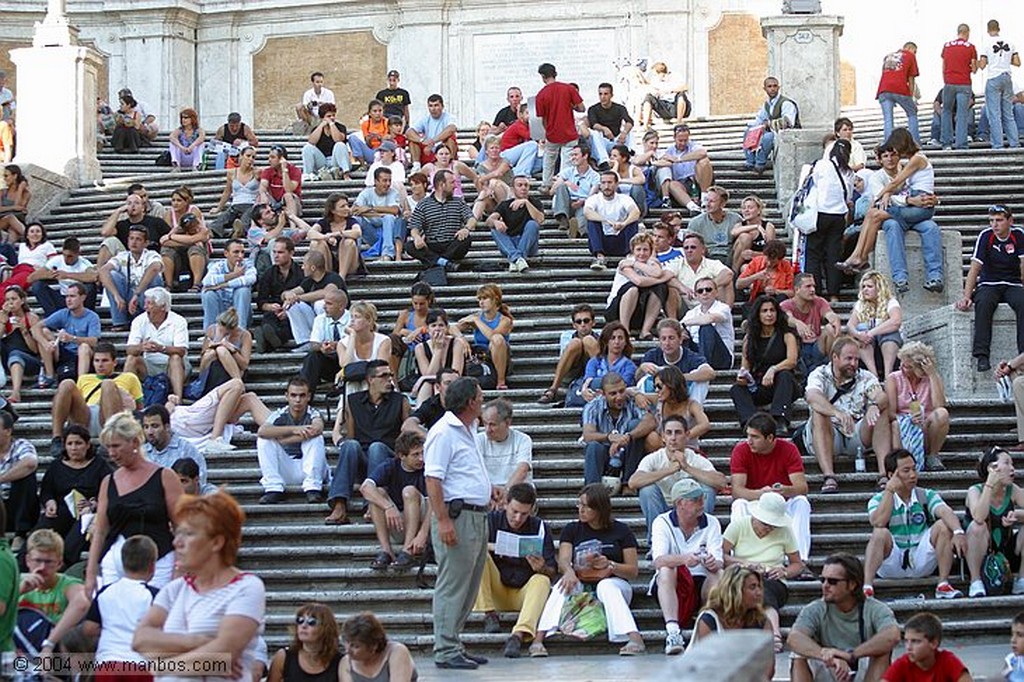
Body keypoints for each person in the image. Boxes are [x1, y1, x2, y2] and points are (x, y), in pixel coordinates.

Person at [133, 492, 266, 682]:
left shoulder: (246, 587)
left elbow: (224, 655)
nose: (176, 542)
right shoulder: (174, 589)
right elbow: (140, 640)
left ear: (216, 542)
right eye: (177, 533)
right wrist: (198, 641)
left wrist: (159, 664)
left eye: (188, 534)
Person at [424, 376, 494, 670]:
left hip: (476, 514)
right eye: (479, 395)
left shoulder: (468, 428)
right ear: (470, 402)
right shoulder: (443, 432)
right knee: (453, 584)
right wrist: (442, 521)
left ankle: (454, 642)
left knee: (468, 584)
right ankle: (445, 648)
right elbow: (433, 479)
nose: (483, 399)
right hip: (457, 516)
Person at [532, 483, 645, 657]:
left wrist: (610, 565)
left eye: (586, 506)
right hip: (581, 585)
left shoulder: (621, 530)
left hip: (615, 586)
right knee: (563, 584)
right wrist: (569, 572)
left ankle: (634, 637)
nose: (581, 510)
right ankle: (538, 640)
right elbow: (563, 560)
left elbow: (633, 570)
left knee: (606, 586)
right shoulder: (572, 529)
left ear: (599, 508)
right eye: (579, 504)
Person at [85, 412, 183, 594]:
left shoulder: (165, 476)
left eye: (116, 446)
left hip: (159, 561)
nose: (111, 453)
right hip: (115, 561)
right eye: (108, 447)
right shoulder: (108, 481)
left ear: (135, 443)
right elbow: (100, 531)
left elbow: (182, 528)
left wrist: (179, 568)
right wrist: (91, 573)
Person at [863, 449, 966, 600]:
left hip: (921, 557)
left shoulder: (925, 495)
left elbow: (945, 511)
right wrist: (890, 491)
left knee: (944, 526)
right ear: (892, 475)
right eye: (906, 470)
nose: (913, 475)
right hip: (892, 560)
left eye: (914, 469)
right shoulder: (877, 500)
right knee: (880, 533)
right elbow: (878, 522)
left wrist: (958, 532)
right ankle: (867, 588)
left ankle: (943, 584)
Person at [787, 553, 901, 682]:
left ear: (852, 584)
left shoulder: (875, 608)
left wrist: (851, 655)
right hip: (831, 668)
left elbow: (892, 635)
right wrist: (828, 655)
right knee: (798, 654)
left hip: (862, 669)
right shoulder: (815, 609)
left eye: (832, 581)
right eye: (822, 580)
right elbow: (794, 638)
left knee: (883, 650)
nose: (825, 585)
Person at [473, 482, 556, 658]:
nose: (518, 518)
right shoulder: (492, 520)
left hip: (524, 594)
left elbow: (552, 571)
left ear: (532, 511)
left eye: (524, 514)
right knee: (479, 554)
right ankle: (488, 614)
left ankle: (518, 635)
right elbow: (470, 545)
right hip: (495, 591)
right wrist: (496, 547)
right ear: (505, 505)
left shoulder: (540, 527)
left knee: (542, 580)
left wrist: (542, 568)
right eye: (514, 512)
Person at [805, 336, 892, 493]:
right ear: (835, 357)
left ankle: (883, 474)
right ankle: (829, 476)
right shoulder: (819, 374)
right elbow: (812, 397)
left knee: (882, 412)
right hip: (829, 434)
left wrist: (874, 405)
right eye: (849, 359)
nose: (853, 364)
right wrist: (836, 413)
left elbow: (881, 396)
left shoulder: (865, 377)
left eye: (856, 359)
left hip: (857, 434)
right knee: (819, 411)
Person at [327, 359, 408, 525]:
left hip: (388, 459)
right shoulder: (353, 401)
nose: (390, 379)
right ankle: (339, 504)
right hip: (363, 459)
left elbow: (405, 437)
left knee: (377, 447)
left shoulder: (401, 401)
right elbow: (351, 435)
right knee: (350, 445)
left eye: (391, 375)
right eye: (384, 376)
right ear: (370, 379)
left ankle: (372, 503)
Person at [721, 491, 804, 653]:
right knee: (747, 588)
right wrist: (744, 563)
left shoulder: (785, 531)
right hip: (743, 575)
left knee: (765, 592)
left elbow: (797, 565)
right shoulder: (739, 525)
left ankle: (774, 634)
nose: (769, 529)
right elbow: (721, 555)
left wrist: (784, 571)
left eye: (773, 525)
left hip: (772, 578)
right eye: (766, 524)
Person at [648, 478, 722, 656]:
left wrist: (713, 562)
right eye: (695, 500)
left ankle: (708, 624)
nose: (701, 503)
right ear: (680, 503)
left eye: (701, 498)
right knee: (666, 569)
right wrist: (684, 559)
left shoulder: (711, 522)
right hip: (675, 583)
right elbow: (658, 560)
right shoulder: (662, 522)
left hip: (701, 582)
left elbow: (719, 560)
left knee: (719, 573)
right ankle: (673, 632)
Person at [730, 413, 811, 561]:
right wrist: (761, 494)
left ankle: (799, 560)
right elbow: (737, 491)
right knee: (738, 504)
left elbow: (802, 488)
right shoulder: (741, 450)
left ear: (770, 438)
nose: (749, 441)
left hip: (781, 504)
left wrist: (785, 490)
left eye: (755, 437)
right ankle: (739, 559)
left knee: (801, 502)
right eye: (748, 436)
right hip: (755, 504)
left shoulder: (788, 449)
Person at [956, 204, 1024, 373]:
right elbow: (974, 268)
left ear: (1010, 221)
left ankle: (1023, 354)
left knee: (1023, 302)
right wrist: (966, 296)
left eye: (999, 220)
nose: (994, 225)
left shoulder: (1019, 235)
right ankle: (982, 355)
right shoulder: (986, 236)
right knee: (984, 302)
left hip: (1013, 283)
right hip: (989, 283)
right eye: (992, 220)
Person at [81, 535, 160, 678]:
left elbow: (89, 628)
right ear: (152, 566)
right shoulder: (154, 596)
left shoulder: (105, 592)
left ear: (122, 564)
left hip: (108, 662)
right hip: (140, 664)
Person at [629, 416, 724, 534]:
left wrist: (687, 467)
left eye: (678, 433)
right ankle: (656, 539)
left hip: (690, 509)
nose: (673, 438)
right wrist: (669, 470)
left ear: (687, 435)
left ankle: (700, 536)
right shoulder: (654, 458)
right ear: (663, 437)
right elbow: (633, 482)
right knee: (646, 490)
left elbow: (721, 482)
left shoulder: (695, 458)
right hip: (662, 509)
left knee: (708, 489)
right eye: (669, 433)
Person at [34, 424, 112, 566]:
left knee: (79, 531)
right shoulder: (57, 466)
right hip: (61, 511)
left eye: (78, 443)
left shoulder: (99, 465)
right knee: (42, 528)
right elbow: (47, 491)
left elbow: (110, 492)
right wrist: (50, 502)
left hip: (87, 513)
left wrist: (95, 504)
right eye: (70, 444)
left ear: (87, 445)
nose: (74, 448)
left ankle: (63, 565)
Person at [359, 431, 429, 571]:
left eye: (422, 453)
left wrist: (422, 534)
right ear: (402, 456)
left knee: (409, 491)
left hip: (424, 520)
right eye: (415, 455)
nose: (421, 459)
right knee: (377, 493)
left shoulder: (428, 468)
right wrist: (388, 507)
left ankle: (407, 551)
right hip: (399, 521)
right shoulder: (391, 465)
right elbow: (365, 488)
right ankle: (386, 551)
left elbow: (434, 504)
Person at [689, 565, 774, 680]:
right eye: (752, 587)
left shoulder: (761, 620)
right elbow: (708, 666)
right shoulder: (709, 620)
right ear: (735, 590)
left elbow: (768, 665)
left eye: (759, 587)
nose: (759, 592)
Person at [730, 295, 800, 429]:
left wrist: (773, 369)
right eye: (764, 311)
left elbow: (792, 361)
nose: (769, 314)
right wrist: (742, 378)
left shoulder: (787, 334)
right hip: (759, 384)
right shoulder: (750, 338)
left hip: (783, 384)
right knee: (736, 389)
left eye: (772, 310)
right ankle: (751, 423)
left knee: (784, 375)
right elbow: (745, 367)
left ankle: (780, 419)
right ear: (758, 314)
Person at [256, 376, 328, 505]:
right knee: (264, 440)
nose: (298, 400)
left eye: (302, 395)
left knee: (316, 438)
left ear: (309, 397)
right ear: (287, 396)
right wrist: (294, 429)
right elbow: (262, 431)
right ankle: (273, 488)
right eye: (293, 395)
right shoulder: (280, 414)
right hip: (287, 467)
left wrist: (284, 440)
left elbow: (317, 429)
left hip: (311, 468)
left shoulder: (314, 413)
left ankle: (313, 488)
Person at [965, 447, 1024, 598]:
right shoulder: (975, 490)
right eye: (1007, 463)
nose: (1012, 468)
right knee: (977, 527)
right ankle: (975, 581)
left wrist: (1018, 515)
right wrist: (990, 485)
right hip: (979, 556)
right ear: (992, 468)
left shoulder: (1013, 490)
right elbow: (979, 516)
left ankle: (1021, 579)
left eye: (1013, 464)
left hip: (1006, 553)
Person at [580, 372, 653, 488]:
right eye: (613, 394)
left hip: (628, 453)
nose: (619, 397)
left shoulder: (633, 400)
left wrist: (628, 436)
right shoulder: (592, 406)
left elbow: (650, 422)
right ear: (603, 394)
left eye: (622, 391)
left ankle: (628, 484)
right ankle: (593, 493)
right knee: (593, 446)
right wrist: (609, 437)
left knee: (636, 425)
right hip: (604, 454)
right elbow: (588, 435)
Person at [18, 529, 87, 651]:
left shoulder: (67, 584)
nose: (42, 567)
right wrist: (19, 591)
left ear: (59, 563)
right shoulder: (17, 583)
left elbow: (82, 603)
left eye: (48, 562)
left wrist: (49, 644)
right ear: (28, 560)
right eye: (38, 560)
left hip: (55, 649)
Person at [886, 342, 949, 473]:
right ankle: (900, 462)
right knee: (895, 424)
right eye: (902, 364)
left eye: (908, 367)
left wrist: (932, 375)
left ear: (920, 368)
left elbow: (939, 406)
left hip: (924, 428)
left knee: (942, 414)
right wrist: (909, 418)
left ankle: (932, 455)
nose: (902, 368)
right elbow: (890, 413)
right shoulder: (894, 378)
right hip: (903, 429)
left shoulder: (931, 378)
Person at [806, 139, 855, 302]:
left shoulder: (821, 164)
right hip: (838, 215)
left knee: (813, 253)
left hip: (820, 213)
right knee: (833, 254)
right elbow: (848, 197)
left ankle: (816, 291)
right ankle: (834, 293)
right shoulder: (849, 172)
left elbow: (813, 185)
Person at [124, 287, 190, 400]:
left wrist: (161, 348)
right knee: (131, 358)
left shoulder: (178, 321)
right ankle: (123, 396)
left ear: (163, 307)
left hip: (173, 366)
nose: (145, 307)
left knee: (175, 358)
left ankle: (177, 400)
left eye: (149, 304)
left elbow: (181, 351)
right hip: (149, 365)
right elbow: (129, 349)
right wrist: (141, 347)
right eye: (145, 303)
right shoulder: (139, 321)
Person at [31, 283, 101, 387]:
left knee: (84, 347)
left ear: (82, 298)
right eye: (67, 296)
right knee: (44, 332)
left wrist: (72, 338)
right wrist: (45, 343)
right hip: (64, 353)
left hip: (83, 355)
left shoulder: (92, 317)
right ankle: (50, 376)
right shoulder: (63, 313)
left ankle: (81, 383)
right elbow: (35, 328)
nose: (68, 300)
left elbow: (94, 341)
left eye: (72, 296)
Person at [604, 232, 671, 338]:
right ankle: (625, 330)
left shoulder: (652, 263)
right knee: (633, 289)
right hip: (617, 310)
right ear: (633, 250)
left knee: (661, 288)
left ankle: (645, 331)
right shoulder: (625, 263)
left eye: (645, 250)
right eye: (638, 249)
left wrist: (637, 265)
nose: (642, 253)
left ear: (650, 251)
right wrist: (660, 279)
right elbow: (638, 281)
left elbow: (657, 273)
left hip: (639, 310)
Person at [98, 225, 165, 332]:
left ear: (146, 243)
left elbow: (154, 267)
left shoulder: (152, 255)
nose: (134, 242)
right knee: (113, 275)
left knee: (155, 278)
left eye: (138, 239)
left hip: (144, 296)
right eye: (131, 238)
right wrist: (116, 295)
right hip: (127, 298)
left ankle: (152, 318)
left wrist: (137, 294)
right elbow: (103, 270)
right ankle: (120, 321)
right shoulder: (122, 256)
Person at [406, 170, 474, 273]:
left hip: (452, 243)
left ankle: (437, 262)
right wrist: (416, 237)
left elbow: (471, 219)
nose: (455, 186)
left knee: (466, 239)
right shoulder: (423, 204)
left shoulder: (458, 202)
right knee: (409, 246)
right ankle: (445, 263)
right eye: (452, 182)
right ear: (441, 185)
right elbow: (414, 227)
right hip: (432, 245)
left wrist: (466, 229)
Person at [636, 317, 716, 404]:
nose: (667, 343)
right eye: (663, 339)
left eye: (671, 338)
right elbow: (638, 378)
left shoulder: (690, 356)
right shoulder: (652, 355)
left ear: (680, 339)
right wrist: (642, 367)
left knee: (701, 379)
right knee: (645, 378)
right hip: (659, 399)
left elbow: (710, 373)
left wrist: (677, 378)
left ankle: (692, 412)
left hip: (684, 397)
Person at [537, 304, 599, 406]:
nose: (583, 324)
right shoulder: (566, 337)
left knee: (589, 340)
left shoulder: (600, 339)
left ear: (593, 322)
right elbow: (564, 358)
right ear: (574, 325)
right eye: (579, 322)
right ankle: (553, 389)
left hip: (592, 374)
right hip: (571, 372)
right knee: (576, 342)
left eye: (586, 321)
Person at [881, 612, 971, 681]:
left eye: (915, 641)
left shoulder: (947, 661)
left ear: (933, 644)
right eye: (906, 641)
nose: (908, 647)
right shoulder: (902, 664)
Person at [535, 63, 585, 188]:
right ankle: (562, 185)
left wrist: (546, 131)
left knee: (549, 159)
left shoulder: (541, 95)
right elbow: (582, 108)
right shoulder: (568, 89)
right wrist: (571, 106)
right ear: (555, 73)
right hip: (569, 133)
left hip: (552, 133)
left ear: (543, 76)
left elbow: (541, 119)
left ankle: (546, 184)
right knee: (567, 162)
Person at [782, 273, 842, 376]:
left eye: (814, 286)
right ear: (797, 289)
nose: (813, 290)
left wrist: (835, 319)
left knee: (829, 328)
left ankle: (832, 368)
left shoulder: (819, 301)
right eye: (808, 286)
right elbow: (787, 317)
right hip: (797, 348)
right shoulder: (786, 304)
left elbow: (829, 314)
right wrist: (797, 323)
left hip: (816, 346)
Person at [848, 271, 904, 379]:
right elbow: (850, 326)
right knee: (861, 330)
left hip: (891, 348)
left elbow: (896, 321)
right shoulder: (860, 304)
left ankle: (888, 376)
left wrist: (871, 333)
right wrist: (859, 335)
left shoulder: (891, 302)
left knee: (890, 333)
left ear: (879, 288)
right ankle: (873, 375)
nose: (865, 289)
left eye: (869, 286)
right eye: (863, 286)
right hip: (868, 348)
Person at [456, 283, 513, 390]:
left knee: (497, 339)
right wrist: (461, 338)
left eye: (485, 298)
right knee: (455, 341)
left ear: (495, 299)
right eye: (479, 299)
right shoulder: (476, 317)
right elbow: (451, 328)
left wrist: (477, 321)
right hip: (480, 357)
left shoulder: (505, 320)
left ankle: (501, 381)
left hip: (499, 360)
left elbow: (492, 336)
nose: (481, 302)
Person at [267, 602, 341, 682]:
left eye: (311, 622)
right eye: (300, 620)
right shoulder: (284, 657)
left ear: (326, 628)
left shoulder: (340, 661)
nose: (304, 626)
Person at [584, 172, 642, 272]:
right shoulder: (593, 199)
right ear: (600, 185)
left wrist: (624, 223)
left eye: (610, 182)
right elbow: (587, 212)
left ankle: (630, 255)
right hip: (602, 241)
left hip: (622, 240)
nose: (606, 186)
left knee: (632, 221)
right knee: (592, 222)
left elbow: (636, 212)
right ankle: (600, 258)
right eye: (603, 183)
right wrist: (607, 221)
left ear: (616, 184)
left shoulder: (624, 198)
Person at [254, 237, 303, 353]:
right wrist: (270, 307)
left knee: (290, 324)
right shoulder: (269, 273)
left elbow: (305, 296)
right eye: (274, 252)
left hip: (294, 310)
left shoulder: (301, 273)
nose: (276, 256)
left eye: (280, 252)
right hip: (274, 311)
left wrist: (288, 311)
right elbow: (261, 301)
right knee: (268, 320)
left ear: (291, 253)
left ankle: (267, 344)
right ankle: (271, 339)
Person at [98, 192, 170, 268]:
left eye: (136, 203)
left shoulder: (156, 222)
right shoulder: (121, 225)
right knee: (109, 241)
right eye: (129, 203)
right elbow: (105, 232)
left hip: (151, 259)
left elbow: (169, 237)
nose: (133, 205)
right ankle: (99, 274)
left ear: (143, 207)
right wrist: (118, 211)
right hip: (127, 260)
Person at [744, 76, 800, 175]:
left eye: (775, 86)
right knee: (748, 131)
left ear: (778, 88)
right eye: (769, 86)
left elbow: (788, 122)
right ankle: (750, 163)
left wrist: (768, 124)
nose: (772, 88)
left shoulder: (786, 103)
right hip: (773, 131)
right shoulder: (767, 105)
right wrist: (752, 127)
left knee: (768, 137)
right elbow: (759, 119)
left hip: (787, 134)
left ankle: (760, 164)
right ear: (765, 89)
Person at [339, 612, 418, 682]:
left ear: (373, 646)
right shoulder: (346, 663)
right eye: (346, 642)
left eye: (356, 646)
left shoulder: (396, 652)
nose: (347, 650)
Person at [487, 175, 543, 273]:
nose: (523, 188)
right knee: (494, 228)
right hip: (510, 243)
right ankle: (518, 259)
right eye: (520, 185)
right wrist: (495, 222)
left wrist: (526, 202)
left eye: (526, 185)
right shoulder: (505, 204)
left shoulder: (535, 202)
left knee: (532, 224)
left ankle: (514, 258)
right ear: (513, 189)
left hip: (529, 245)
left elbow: (540, 220)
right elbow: (489, 221)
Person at [979, 19, 1021, 149]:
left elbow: (982, 65)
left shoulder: (986, 44)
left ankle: (998, 145)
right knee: (1008, 114)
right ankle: (1015, 143)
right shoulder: (1010, 42)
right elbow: (1017, 62)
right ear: (999, 28)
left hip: (993, 78)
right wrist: (1004, 60)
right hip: (1007, 78)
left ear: (988, 29)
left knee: (994, 114)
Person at [572, 322, 636, 406]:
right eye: (612, 338)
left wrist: (601, 388)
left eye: (620, 338)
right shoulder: (594, 361)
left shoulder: (629, 365)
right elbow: (588, 380)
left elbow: (622, 385)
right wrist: (584, 390)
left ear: (625, 342)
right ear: (606, 341)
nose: (616, 342)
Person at [142, 404, 209, 484]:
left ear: (167, 427)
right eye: (146, 427)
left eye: (155, 426)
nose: (149, 432)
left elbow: (200, 481)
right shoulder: (142, 453)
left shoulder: (186, 450)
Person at [654, 124, 711, 213]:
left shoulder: (693, 145)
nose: (683, 143)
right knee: (672, 184)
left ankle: (704, 198)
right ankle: (692, 207)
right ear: (674, 137)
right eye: (680, 140)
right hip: (681, 183)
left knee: (704, 161)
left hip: (697, 180)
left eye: (685, 140)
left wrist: (679, 159)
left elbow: (703, 152)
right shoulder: (669, 150)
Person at [201, 238, 256, 330]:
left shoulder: (248, 265)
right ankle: (211, 332)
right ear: (226, 253)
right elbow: (206, 281)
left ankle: (239, 332)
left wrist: (223, 285)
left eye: (242, 252)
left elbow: (250, 279)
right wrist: (234, 275)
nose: (240, 256)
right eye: (236, 252)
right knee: (208, 293)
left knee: (243, 290)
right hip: (221, 311)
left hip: (240, 312)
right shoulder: (217, 266)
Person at [0, 412, 38, 546]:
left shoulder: (21, 445)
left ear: (8, 431)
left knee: (26, 477)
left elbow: (30, 463)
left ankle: (20, 534)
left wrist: (2, 478)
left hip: (17, 505)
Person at [681, 276, 734, 371]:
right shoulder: (691, 313)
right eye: (700, 291)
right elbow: (677, 327)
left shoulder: (723, 308)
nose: (704, 293)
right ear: (696, 295)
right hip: (697, 353)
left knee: (706, 328)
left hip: (721, 358)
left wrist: (684, 324)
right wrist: (681, 331)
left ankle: (703, 367)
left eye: (708, 289)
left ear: (716, 292)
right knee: (680, 335)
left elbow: (710, 318)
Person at [195, 307, 252, 394]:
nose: (222, 331)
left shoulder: (245, 335)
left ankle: (238, 383)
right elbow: (203, 358)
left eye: (226, 332)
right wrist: (217, 342)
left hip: (234, 370)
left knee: (222, 350)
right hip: (212, 368)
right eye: (220, 327)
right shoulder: (212, 329)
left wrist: (232, 350)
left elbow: (244, 365)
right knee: (214, 352)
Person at [354, 167, 406, 261]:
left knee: (389, 217)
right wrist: (378, 214)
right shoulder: (366, 193)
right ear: (376, 181)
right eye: (384, 181)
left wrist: (369, 208)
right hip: (372, 232)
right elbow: (354, 210)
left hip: (389, 234)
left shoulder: (393, 193)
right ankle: (355, 255)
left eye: (389, 180)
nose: (388, 184)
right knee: (356, 220)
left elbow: (394, 210)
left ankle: (387, 254)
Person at [0, 285, 42, 403]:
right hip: (7, 358)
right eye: (7, 300)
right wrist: (3, 321)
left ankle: (16, 392)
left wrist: (24, 331)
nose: (10, 303)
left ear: (22, 300)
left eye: (13, 299)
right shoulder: (3, 316)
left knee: (16, 354)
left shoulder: (31, 318)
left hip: (29, 360)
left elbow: (35, 350)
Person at [941, 24, 979, 150]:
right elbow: (974, 69)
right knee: (962, 113)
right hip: (964, 82)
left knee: (946, 111)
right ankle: (961, 144)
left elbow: (944, 65)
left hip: (949, 82)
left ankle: (946, 143)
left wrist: (946, 79)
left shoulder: (947, 46)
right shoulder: (971, 47)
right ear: (967, 32)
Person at [307, 193, 362, 281]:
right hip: (329, 263)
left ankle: (341, 278)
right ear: (333, 210)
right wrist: (325, 237)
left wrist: (338, 233)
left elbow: (357, 232)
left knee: (348, 241)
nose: (347, 208)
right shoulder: (324, 222)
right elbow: (310, 233)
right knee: (316, 243)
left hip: (350, 265)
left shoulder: (351, 221)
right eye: (342, 206)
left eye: (347, 205)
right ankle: (325, 276)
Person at [550, 144, 600, 238]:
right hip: (566, 203)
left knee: (584, 217)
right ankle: (563, 218)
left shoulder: (595, 176)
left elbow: (592, 195)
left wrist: (582, 202)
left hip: (583, 204)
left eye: (575, 155)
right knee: (561, 186)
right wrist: (566, 182)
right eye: (572, 155)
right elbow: (552, 191)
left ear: (585, 156)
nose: (573, 158)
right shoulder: (567, 172)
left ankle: (576, 232)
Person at [877, 42, 921, 144]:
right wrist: (911, 97)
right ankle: (915, 142)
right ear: (910, 48)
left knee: (888, 119)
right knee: (912, 113)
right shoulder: (910, 56)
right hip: (899, 88)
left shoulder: (888, 56)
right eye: (915, 51)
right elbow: (911, 79)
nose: (915, 54)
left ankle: (888, 145)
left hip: (883, 89)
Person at [687, 186, 743, 265]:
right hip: (707, 255)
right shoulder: (696, 222)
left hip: (730, 255)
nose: (708, 204)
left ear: (722, 204)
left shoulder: (735, 219)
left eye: (712, 201)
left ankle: (735, 272)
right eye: (707, 200)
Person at [585, 83, 634, 168]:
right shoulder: (593, 109)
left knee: (630, 131)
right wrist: (604, 129)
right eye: (600, 94)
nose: (603, 97)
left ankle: (630, 155)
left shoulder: (620, 108)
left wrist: (624, 132)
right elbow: (593, 124)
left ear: (611, 95)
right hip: (602, 142)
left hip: (617, 140)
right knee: (595, 133)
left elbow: (629, 121)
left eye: (606, 94)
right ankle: (604, 161)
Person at [736, 239, 794, 309]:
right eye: (768, 259)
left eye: (773, 261)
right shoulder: (756, 262)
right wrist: (755, 276)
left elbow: (792, 292)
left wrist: (776, 291)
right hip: (759, 297)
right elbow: (738, 284)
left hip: (777, 298)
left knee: (782, 298)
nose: (769, 263)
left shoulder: (786, 265)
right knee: (747, 307)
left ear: (780, 260)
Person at [302, 103, 353, 181]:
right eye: (329, 116)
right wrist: (322, 125)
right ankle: (307, 174)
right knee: (307, 147)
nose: (332, 118)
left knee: (339, 145)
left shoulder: (340, 127)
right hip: (322, 162)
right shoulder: (317, 129)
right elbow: (311, 142)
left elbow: (338, 139)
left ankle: (345, 174)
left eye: (333, 115)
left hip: (336, 161)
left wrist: (331, 124)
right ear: (322, 118)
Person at [732, 194, 778, 273]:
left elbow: (772, 252)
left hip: (760, 260)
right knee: (745, 237)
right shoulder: (740, 225)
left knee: (749, 269)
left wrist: (754, 254)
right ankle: (734, 274)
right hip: (740, 262)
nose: (746, 210)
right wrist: (756, 226)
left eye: (750, 208)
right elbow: (733, 233)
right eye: (744, 208)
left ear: (759, 210)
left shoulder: (768, 227)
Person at [638, 61, 691, 128]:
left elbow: (685, 87)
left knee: (681, 95)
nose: (654, 76)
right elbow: (648, 85)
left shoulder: (675, 76)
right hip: (665, 107)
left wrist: (671, 90)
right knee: (648, 97)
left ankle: (679, 121)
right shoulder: (655, 81)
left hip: (677, 106)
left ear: (661, 74)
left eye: (655, 74)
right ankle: (646, 124)